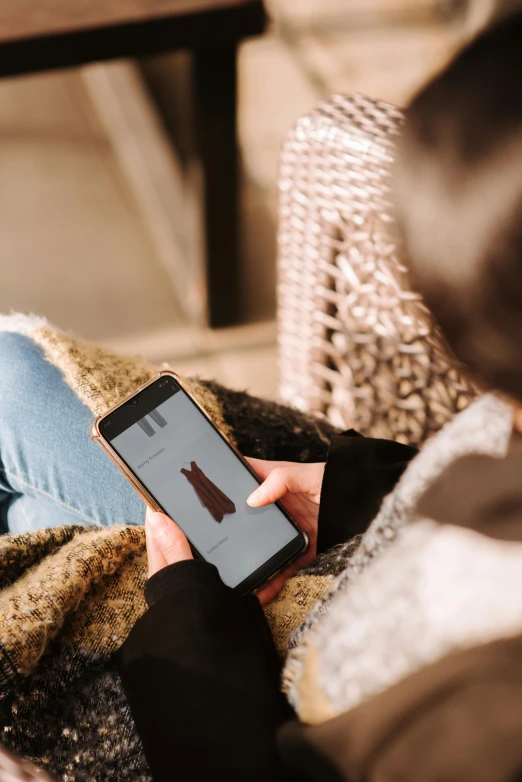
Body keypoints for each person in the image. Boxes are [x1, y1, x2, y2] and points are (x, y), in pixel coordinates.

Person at [2, 9, 522, 781]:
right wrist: (341, 492)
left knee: (24, 506)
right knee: (14, 383)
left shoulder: (485, 713)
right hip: (341, 543)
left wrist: (190, 616)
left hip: (236, 696)